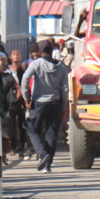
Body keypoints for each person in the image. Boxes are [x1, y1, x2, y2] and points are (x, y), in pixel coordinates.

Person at [22, 40, 69, 172]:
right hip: (55, 102)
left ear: (40, 51)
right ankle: (47, 165)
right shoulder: (61, 67)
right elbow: (65, 89)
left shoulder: (36, 64)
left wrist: (27, 97)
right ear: (51, 50)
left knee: (32, 129)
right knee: (51, 133)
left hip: (39, 102)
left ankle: (42, 154)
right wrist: (64, 105)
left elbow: (25, 78)